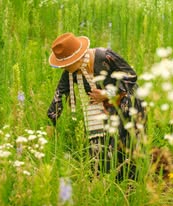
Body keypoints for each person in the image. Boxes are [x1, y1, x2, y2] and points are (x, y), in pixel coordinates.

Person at [47, 32, 146, 179]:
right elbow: (59, 95)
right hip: (104, 111)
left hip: (127, 104)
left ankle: (131, 187)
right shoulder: (71, 72)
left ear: (78, 58)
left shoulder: (105, 57)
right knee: (103, 151)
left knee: (127, 147)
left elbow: (131, 76)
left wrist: (107, 94)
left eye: (66, 64)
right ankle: (108, 185)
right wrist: (51, 123)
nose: (64, 68)